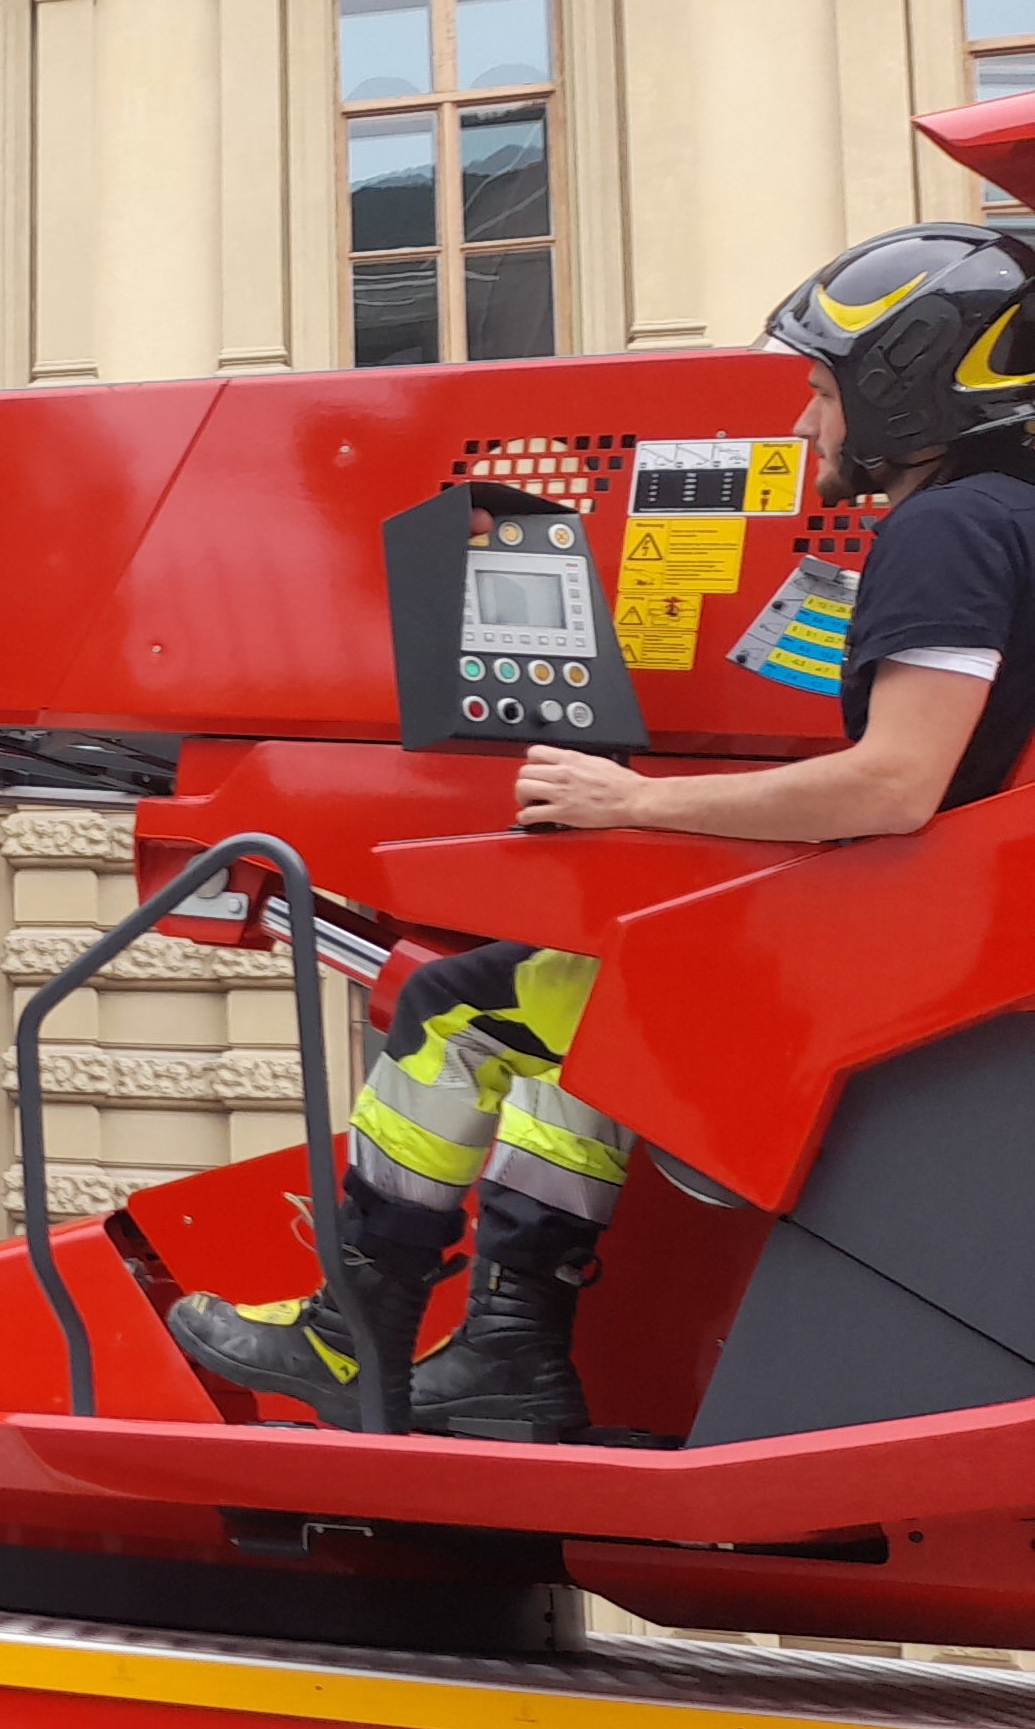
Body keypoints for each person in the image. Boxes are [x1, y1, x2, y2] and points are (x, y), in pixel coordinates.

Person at [169, 219, 1035, 1441]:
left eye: (818, 391)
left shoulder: (945, 529)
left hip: (877, 970)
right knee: (586, 1004)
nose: (802, 427)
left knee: (456, 1007)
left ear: (900, 386)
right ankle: (510, 1354)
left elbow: (894, 784)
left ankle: (347, 1336)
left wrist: (633, 806)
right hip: (929, 951)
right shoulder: (1015, 517)